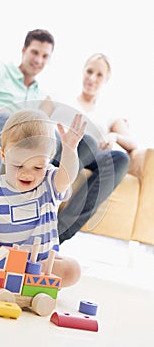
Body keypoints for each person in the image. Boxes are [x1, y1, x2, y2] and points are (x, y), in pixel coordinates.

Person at [0, 28, 96, 239]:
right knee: (6, 125)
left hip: (7, 135)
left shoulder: (42, 95)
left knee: (78, 143)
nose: (39, 60)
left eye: (45, 56)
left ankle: (31, 217)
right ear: (24, 50)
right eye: (35, 52)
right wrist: (13, 119)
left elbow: (38, 135)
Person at [0, 109, 86, 287]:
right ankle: (13, 279)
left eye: (38, 167)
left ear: (48, 162)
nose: (27, 174)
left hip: (40, 263)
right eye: (18, 165)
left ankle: (23, 279)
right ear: (3, 156)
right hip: (2, 259)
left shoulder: (49, 182)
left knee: (73, 269)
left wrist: (70, 150)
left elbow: (67, 177)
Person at [52, 53, 136, 243]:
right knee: (87, 141)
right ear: (83, 71)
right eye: (89, 71)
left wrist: (114, 136)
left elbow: (133, 143)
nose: (92, 78)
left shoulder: (109, 112)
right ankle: (38, 207)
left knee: (120, 159)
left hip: (91, 157)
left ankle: (57, 234)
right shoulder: (64, 99)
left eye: (99, 75)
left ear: (106, 80)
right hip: (62, 151)